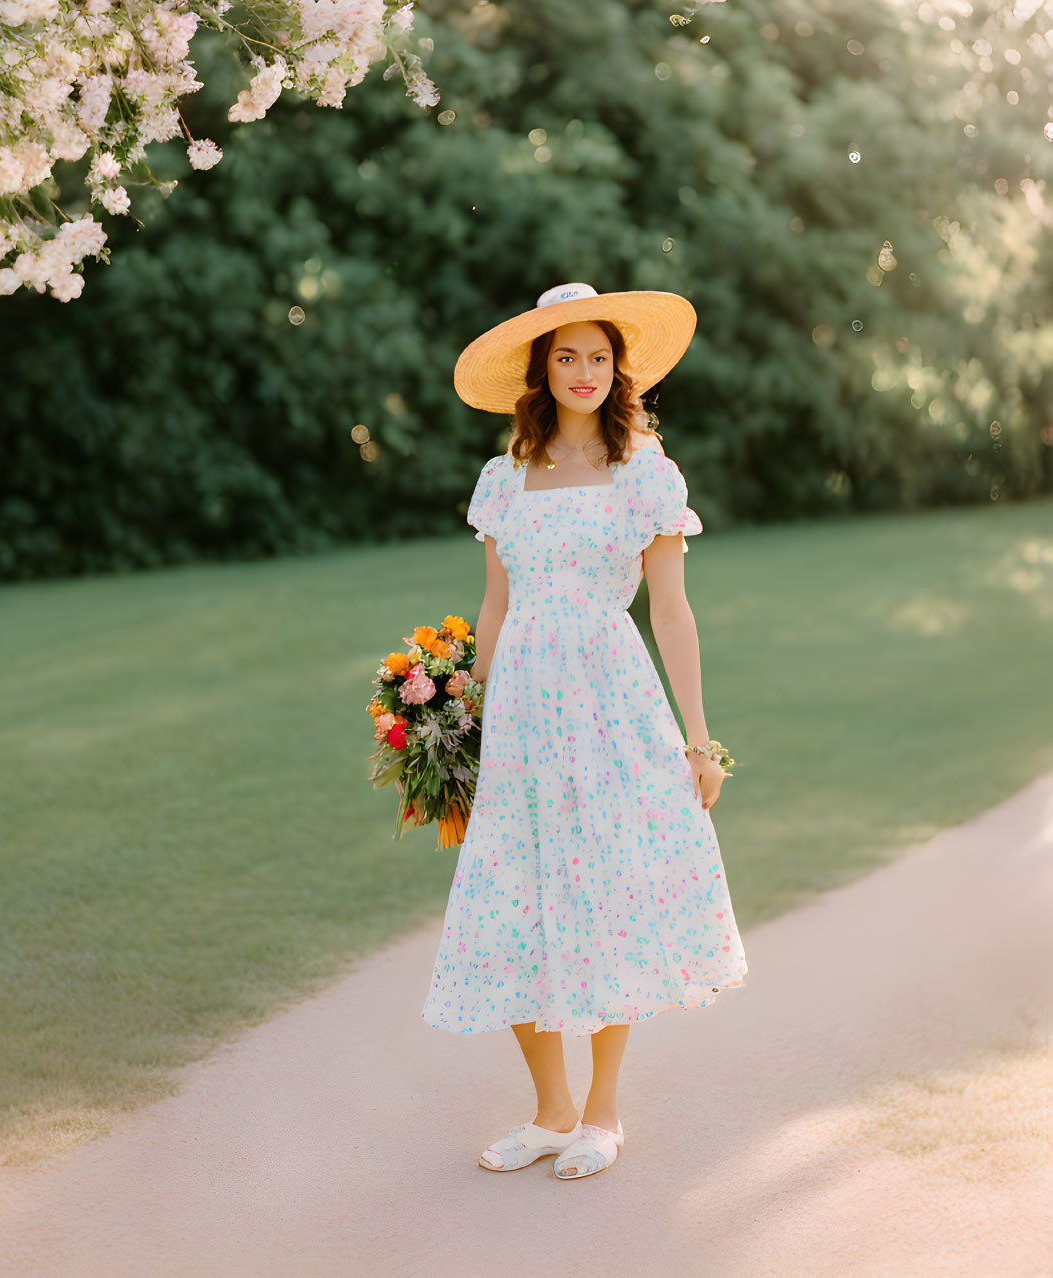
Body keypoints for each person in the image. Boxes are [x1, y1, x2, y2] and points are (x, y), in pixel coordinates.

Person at [421, 282, 749, 1181]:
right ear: (539, 370)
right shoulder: (503, 480)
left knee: (606, 888)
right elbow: (492, 612)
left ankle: (602, 1113)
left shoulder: (645, 472)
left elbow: (673, 614)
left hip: (609, 701)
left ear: (618, 368)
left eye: (598, 357)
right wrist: (456, 723)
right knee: (513, 890)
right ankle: (550, 1112)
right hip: (523, 708)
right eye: (565, 357)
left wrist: (697, 739)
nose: (583, 373)